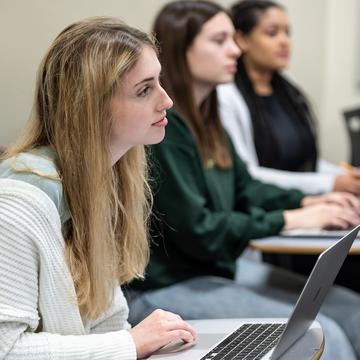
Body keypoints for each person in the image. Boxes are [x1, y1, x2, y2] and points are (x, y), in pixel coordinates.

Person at [126, 2, 360, 359]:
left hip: (216, 270)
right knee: (324, 335)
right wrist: (290, 218)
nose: (235, 49)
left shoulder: (208, 119)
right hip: (166, 285)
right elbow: (199, 230)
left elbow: (246, 187)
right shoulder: (165, 130)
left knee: (352, 310)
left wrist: (307, 202)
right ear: (180, 49)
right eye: (220, 40)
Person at [0, 17, 197, 359]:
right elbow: (6, 349)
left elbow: (107, 321)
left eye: (159, 82)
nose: (167, 101)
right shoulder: (17, 203)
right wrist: (131, 344)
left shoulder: (102, 178)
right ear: (91, 107)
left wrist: (135, 343)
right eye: (144, 89)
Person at [217, 0, 360, 195]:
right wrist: (329, 183)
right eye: (272, 32)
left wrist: (344, 175)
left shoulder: (287, 85)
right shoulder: (226, 96)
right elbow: (248, 175)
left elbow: (303, 162)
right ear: (241, 39)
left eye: (287, 33)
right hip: (269, 207)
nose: (284, 41)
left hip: (308, 202)